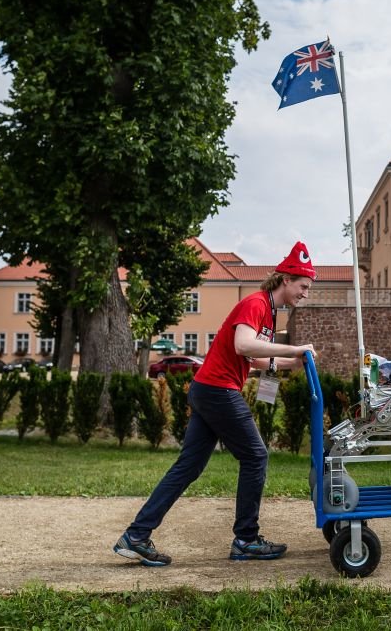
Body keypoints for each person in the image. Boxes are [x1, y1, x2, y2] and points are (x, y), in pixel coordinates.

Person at [114, 241, 318, 566]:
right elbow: (242, 345)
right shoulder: (255, 303)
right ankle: (246, 540)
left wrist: (293, 363)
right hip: (218, 390)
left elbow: (250, 358)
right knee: (255, 457)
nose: (305, 293)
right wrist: (293, 349)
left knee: (189, 466)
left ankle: (136, 535)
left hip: (207, 388)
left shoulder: (267, 311)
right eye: (303, 286)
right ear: (285, 280)